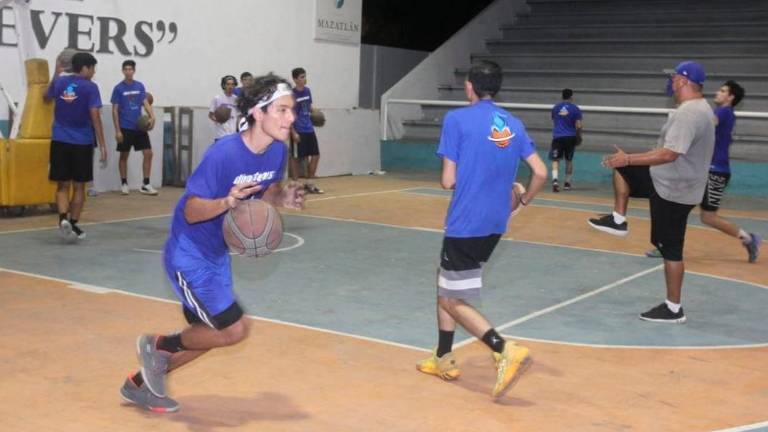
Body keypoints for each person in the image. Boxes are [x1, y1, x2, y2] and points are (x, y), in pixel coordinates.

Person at [119, 74, 305, 412]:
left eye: (292, 110)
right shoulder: (225, 154)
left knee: (211, 333)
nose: (291, 118)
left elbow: (265, 191)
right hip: (189, 254)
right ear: (258, 112)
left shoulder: (276, 151)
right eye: (282, 110)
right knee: (232, 330)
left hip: (217, 255)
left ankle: (140, 385)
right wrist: (226, 203)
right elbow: (190, 210)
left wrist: (282, 195)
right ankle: (159, 345)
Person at [416, 60, 547, 398]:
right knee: (446, 282)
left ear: (469, 86)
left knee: (450, 299)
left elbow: (448, 180)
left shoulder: (457, 119)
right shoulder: (513, 123)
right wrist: (524, 200)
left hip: (466, 222)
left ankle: (503, 349)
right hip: (495, 224)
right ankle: (443, 355)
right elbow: (541, 173)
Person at [587, 61, 715, 323]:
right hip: (669, 180)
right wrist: (629, 161)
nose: (671, 83)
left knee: (671, 250)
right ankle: (618, 220)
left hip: (674, 190)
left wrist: (630, 159)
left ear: (682, 81)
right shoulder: (699, 108)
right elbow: (668, 151)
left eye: (674, 78)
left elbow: (669, 154)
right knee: (622, 168)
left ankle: (673, 308)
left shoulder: (689, 113)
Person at [646, 80, 761, 262]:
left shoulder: (722, 112)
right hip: (707, 170)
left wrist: (681, 116)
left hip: (716, 171)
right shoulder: (721, 113)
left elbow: (702, 125)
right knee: (686, 209)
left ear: (730, 97)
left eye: (723, 91)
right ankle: (666, 245)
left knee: (706, 216)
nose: (718, 92)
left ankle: (748, 238)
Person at [44, 52, 107, 241]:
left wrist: (55, 73)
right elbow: (95, 116)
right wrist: (103, 144)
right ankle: (72, 222)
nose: (94, 72)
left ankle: (63, 218)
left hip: (60, 140)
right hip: (82, 142)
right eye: (93, 68)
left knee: (62, 185)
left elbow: (46, 96)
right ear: (85, 68)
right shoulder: (91, 88)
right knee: (79, 186)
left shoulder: (61, 82)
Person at [110, 59, 158, 196]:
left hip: (139, 127)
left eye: (130, 69)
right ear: (123, 71)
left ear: (134, 71)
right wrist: (117, 130)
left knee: (148, 153)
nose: (128, 71)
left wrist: (152, 116)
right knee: (124, 156)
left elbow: (145, 102)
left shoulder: (140, 86)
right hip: (125, 127)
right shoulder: (118, 88)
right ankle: (124, 183)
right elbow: (114, 110)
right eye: (125, 69)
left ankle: (146, 184)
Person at [289, 67, 323, 194]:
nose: (304, 79)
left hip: (309, 129)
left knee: (315, 155)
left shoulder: (307, 91)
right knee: (296, 158)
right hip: (298, 130)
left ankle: (310, 183)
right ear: (295, 79)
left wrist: (316, 112)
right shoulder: (292, 95)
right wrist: (293, 132)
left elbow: (309, 107)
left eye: (305, 76)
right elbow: (289, 114)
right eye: (302, 77)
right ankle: (295, 185)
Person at [549, 88, 583, 192]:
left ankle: (555, 181)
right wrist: (579, 136)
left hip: (558, 137)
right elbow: (579, 125)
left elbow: (555, 121)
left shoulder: (555, 108)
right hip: (570, 137)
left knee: (555, 160)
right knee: (569, 160)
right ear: (571, 97)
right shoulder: (575, 109)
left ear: (562, 96)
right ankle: (567, 184)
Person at [209, 75, 239, 140]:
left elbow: (238, 116)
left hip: (232, 135)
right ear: (224, 85)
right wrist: (219, 120)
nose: (230, 86)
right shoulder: (217, 98)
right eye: (228, 84)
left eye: (232, 84)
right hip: (220, 135)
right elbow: (210, 115)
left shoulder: (237, 99)